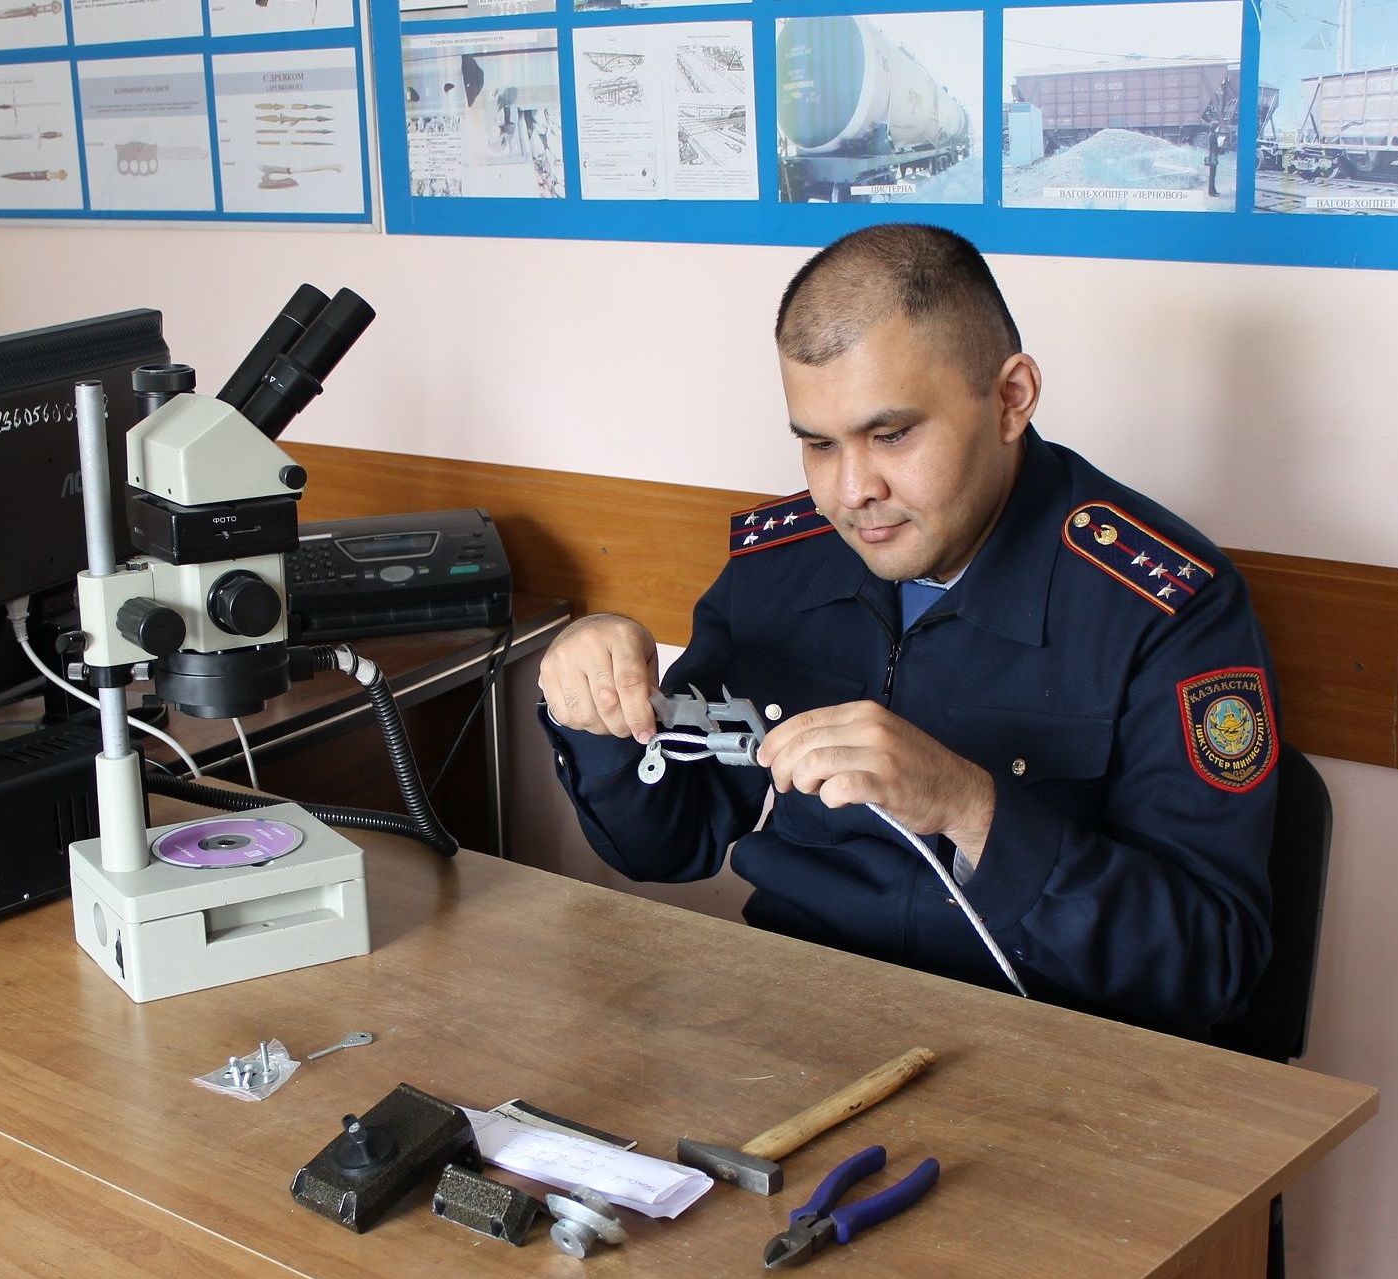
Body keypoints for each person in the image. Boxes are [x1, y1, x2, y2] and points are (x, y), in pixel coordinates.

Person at [537, 222, 1281, 1040]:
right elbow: (665, 843)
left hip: (1056, 1057)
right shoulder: (782, 564)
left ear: (1011, 397)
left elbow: (1213, 963)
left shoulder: (1164, 602)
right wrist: (599, 705)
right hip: (795, 1025)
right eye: (818, 445)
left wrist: (968, 805)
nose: (853, 491)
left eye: (892, 435)